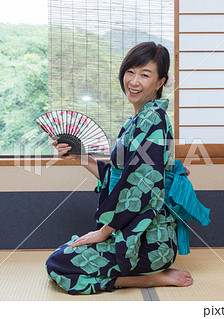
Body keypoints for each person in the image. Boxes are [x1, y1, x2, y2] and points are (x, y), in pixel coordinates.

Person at [45, 42, 198, 295]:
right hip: (135, 235)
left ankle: (146, 279)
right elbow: (120, 177)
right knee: (64, 253)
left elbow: (142, 186)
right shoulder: (139, 119)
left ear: (160, 82)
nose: (134, 81)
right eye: (130, 71)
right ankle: (143, 274)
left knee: (58, 266)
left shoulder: (152, 119)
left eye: (145, 75)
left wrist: (104, 232)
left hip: (148, 243)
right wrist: (81, 157)